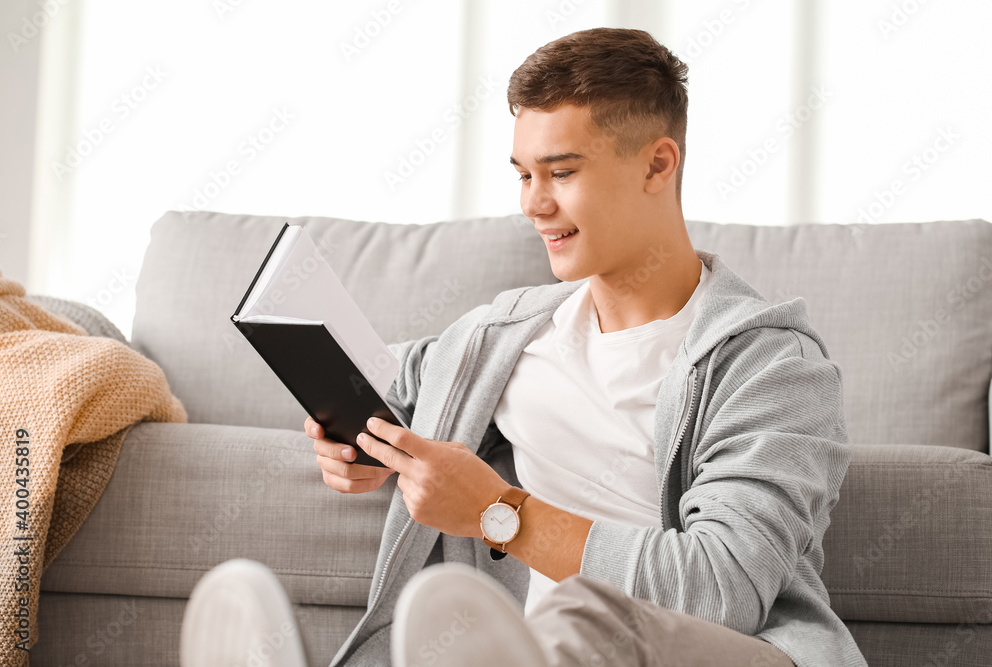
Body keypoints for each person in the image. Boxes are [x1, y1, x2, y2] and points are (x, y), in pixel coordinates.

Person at [180, 27, 868, 667]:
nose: (532, 204)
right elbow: (389, 378)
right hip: (534, 648)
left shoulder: (772, 367)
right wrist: (353, 435)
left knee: (580, 615)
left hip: (711, 650)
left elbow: (721, 588)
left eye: (561, 173)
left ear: (657, 164)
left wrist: (495, 511)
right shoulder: (509, 335)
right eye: (523, 174)